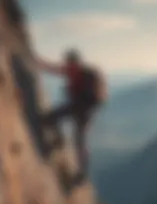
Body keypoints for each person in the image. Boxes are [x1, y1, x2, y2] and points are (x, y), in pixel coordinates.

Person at [36, 49, 107, 187]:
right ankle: (58, 141)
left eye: (70, 63)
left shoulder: (87, 75)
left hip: (85, 109)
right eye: (68, 64)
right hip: (77, 106)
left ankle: (82, 173)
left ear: (76, 63)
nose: (69, 66)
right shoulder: (72, 71)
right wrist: (37, 61)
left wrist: (83, 108)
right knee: (51, 119)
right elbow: (53, 69)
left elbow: (97, 98)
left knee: (79, 139)